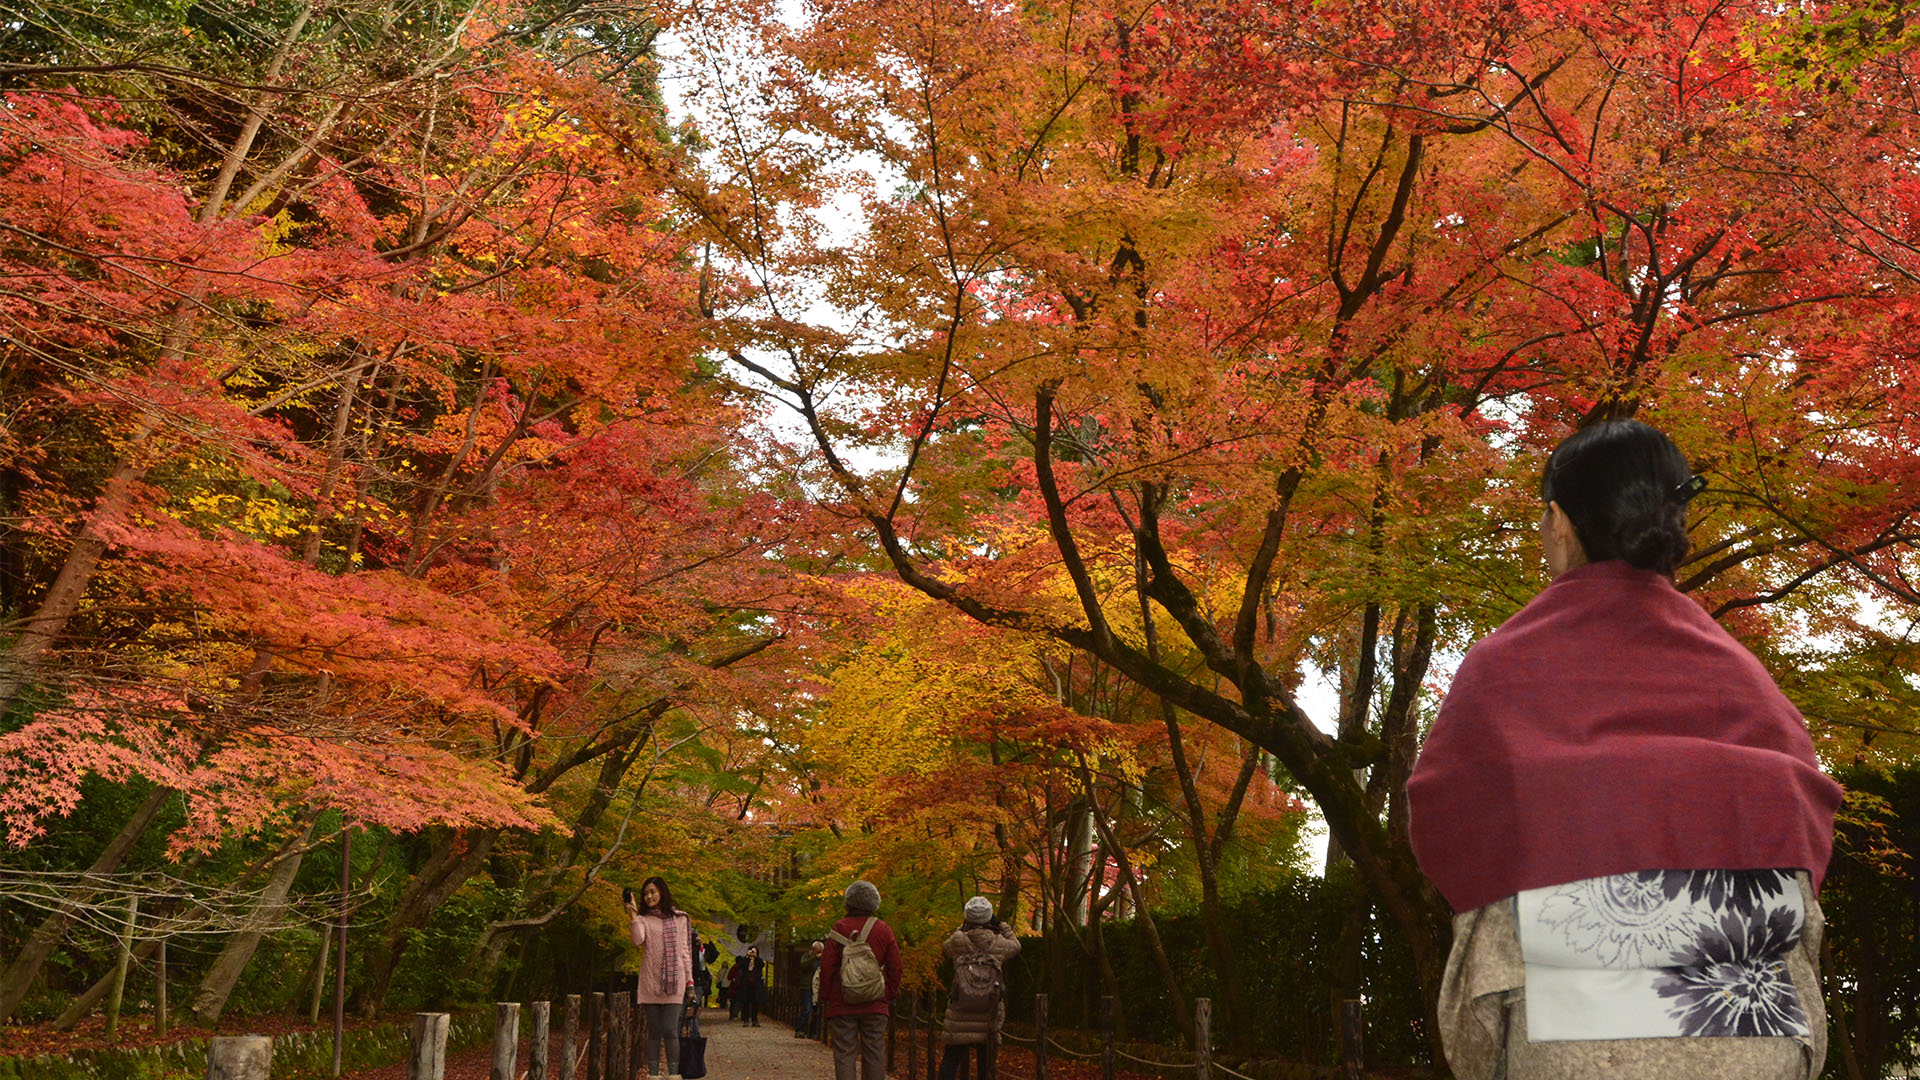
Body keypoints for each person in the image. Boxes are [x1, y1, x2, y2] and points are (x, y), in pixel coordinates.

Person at [1406, 419, 1843, 1080]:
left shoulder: (1503, 666)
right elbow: (1801, 806)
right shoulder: (1737, 670)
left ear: (1557, 522)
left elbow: (1443, 812)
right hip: (1749, 1025)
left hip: (1571, 1033)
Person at [821, 880, 903, 1080]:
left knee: (844, 1054)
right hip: (875, 1002)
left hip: (843, 1001)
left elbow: (827, 966)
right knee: (874, 1053)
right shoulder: (883, 929)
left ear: (848, 903)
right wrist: (887, 994)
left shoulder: (839, 928)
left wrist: (826, 997)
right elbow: (896, 967)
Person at [938, 897, 1020, 1080]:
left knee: (951, 1060)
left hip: (960, 1011)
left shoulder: (958, 941)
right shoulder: (998, 943)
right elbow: (1016, 945)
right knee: (986, 1064)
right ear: (989, 918)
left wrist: (961, 927)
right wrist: (1003, 926)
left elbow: (946, 947)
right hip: (988, 1012)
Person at [625, 878, 696, 1080]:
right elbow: (637, 940)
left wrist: (690, 982)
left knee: (669, 1028)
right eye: (646, 893)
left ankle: (674, 1075)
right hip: (650, 982)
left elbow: (684, 952)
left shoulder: (680, 918)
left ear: (662, 892)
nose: (649, 896)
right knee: (654, 1031)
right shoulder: (644, 919)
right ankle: (654, 1075)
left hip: (675, 982)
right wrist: (633, 914)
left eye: (653, 892)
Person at [795, 940, 824, 1038]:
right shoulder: (807, 956)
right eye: (818, 950)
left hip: (817, 987)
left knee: (816, 1011)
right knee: (806, 1009)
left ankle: (813, 1032)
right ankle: (800, 1029)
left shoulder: (822, 959)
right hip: (807, 986)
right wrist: (813, 957)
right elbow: (803, 965)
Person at [736, 944, 767, 1026]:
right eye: (751, 951)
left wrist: (756, 957)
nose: (752, 952)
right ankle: (746, 1020)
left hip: (756, 985)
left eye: (754, 951)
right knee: (745, 1003)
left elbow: (762, 964)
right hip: (746, 985)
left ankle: (755, 1020)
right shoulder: (745, 960)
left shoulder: (758, 961)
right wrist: (747, 956)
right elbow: (739, 966)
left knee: (755, 1003)